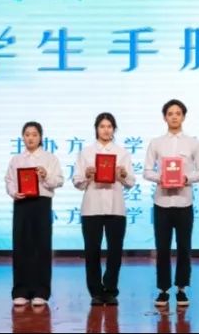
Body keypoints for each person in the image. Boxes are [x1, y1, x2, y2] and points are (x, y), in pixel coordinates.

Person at [143, 98, 199, 307]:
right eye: (170, 114)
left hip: (184, 202)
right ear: (165, 117)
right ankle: (163, 290)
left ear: (183, 117)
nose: (174, 117)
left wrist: (186, 178)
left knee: (184, 247)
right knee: (162, 248)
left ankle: (181, 289)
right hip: (161, 202)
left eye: (178, 113)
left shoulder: (193, 143)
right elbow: (147, 171)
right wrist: (160, 178)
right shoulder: (156, 143)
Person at [73, 112, 134, 306]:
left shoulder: (122, 153)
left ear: (114, 129)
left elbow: (131, 182)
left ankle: (110, 290)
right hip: (92, 207)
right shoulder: (86, 152)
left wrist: (123, 174)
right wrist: (87, 175)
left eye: (109, 126)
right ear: (96, 129)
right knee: (92, 251)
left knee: (115, 251)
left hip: (116, 208)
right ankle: (95, 292)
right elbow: (77, 182)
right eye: (102, 126)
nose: (106, 130)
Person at [5, 121, 64, 306]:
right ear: (23, 137)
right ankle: (20, 290)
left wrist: (45, 175)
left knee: (41, 246)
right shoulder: (16, 159)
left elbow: (59, 181)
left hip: (41, 203)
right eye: (27, 134)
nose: (30, 138)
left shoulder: (50, 158)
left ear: (40, 137)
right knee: (21, 246)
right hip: (22, 203)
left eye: (34, 134)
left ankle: (41, 291)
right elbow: (9, 180)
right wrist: (14, 192)